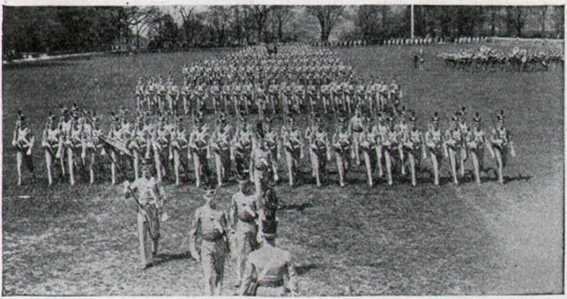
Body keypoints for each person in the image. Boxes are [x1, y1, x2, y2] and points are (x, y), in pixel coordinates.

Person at [124, 158, 165, 270]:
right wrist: (126, 188)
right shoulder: (138, 181)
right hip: (142, 210)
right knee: (142, 236)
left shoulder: (156, 181)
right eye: (143, 168)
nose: (145, 170)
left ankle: (153, 251)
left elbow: (162, 196)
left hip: (153, 209)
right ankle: (145, 261)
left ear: (151, 168)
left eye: (147, 168)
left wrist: (160, 207)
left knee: (154, 234)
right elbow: (127, 195)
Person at [239, 218, 298, 296]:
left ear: (262, 236)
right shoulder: (285, 255)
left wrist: (241, 294)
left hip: (261, 291)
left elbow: (247, 279)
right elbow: (292, 277)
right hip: (279, 291)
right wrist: (295, 294)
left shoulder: (253, 255)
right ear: (276, 236)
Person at [190, 186, 230, 296]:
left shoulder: (221, 212)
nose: (210, 199)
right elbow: (193, 231)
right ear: (204, 197)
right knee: (208, 276)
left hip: (219, 244)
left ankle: (218, 295)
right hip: (206, 244)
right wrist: (193, 250)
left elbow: (228, 230)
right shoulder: (200, 211)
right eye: (208, 196)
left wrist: (228, 246)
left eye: (212, 196)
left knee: (219, 274)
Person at [228, 178, 258, 287]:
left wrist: (253, 213)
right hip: (241, 225)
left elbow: (259, 211)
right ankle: (239, 278)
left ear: (249, 185)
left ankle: (254, 275)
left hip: (252, 225)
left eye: (244, 185)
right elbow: (232, 210)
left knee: (254, 250)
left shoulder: (254, 196)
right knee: (240, 252)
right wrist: (232, 225)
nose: (241, 187)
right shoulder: (236, 196)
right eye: (240, 185)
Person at [490, 110, 515, 184]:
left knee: (504, 163)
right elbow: (491, 139)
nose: (502, 123)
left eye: (503, 122)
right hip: (496, 148)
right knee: (500, 163)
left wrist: (512, 150)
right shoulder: (495, 130)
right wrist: (498, 142)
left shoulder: (506, 131)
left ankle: (496, 171)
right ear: (498, 122)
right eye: (500, 122)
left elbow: (510, 140)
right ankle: (500, 180)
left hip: (504, 148)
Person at [12, 112, 35, 186]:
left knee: (29, 164)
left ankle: (32, 176)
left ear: (24, 121)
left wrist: (30, 148)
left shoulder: (27, 129)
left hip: (26, 148)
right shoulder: (16, 130)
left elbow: (32, 139)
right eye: (19, 120)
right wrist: (14, 142)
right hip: (19, 149)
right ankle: (20, 179)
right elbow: (14, 139)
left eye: (22, 120)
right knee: (20, 165)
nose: (20, 122)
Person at [425, 112, 444, 186]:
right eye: (434, 123)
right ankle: (437, 181)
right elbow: (427, 142)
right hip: (433, 151)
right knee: (435, 164)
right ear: (432, 123)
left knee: (439, 165)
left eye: (437, 123)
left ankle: (433, 174)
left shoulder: (440, 131)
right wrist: (432, 146)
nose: (436, 124)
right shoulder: (429, 132)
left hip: (439, 150)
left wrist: (443, 150)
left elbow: (443, 141)